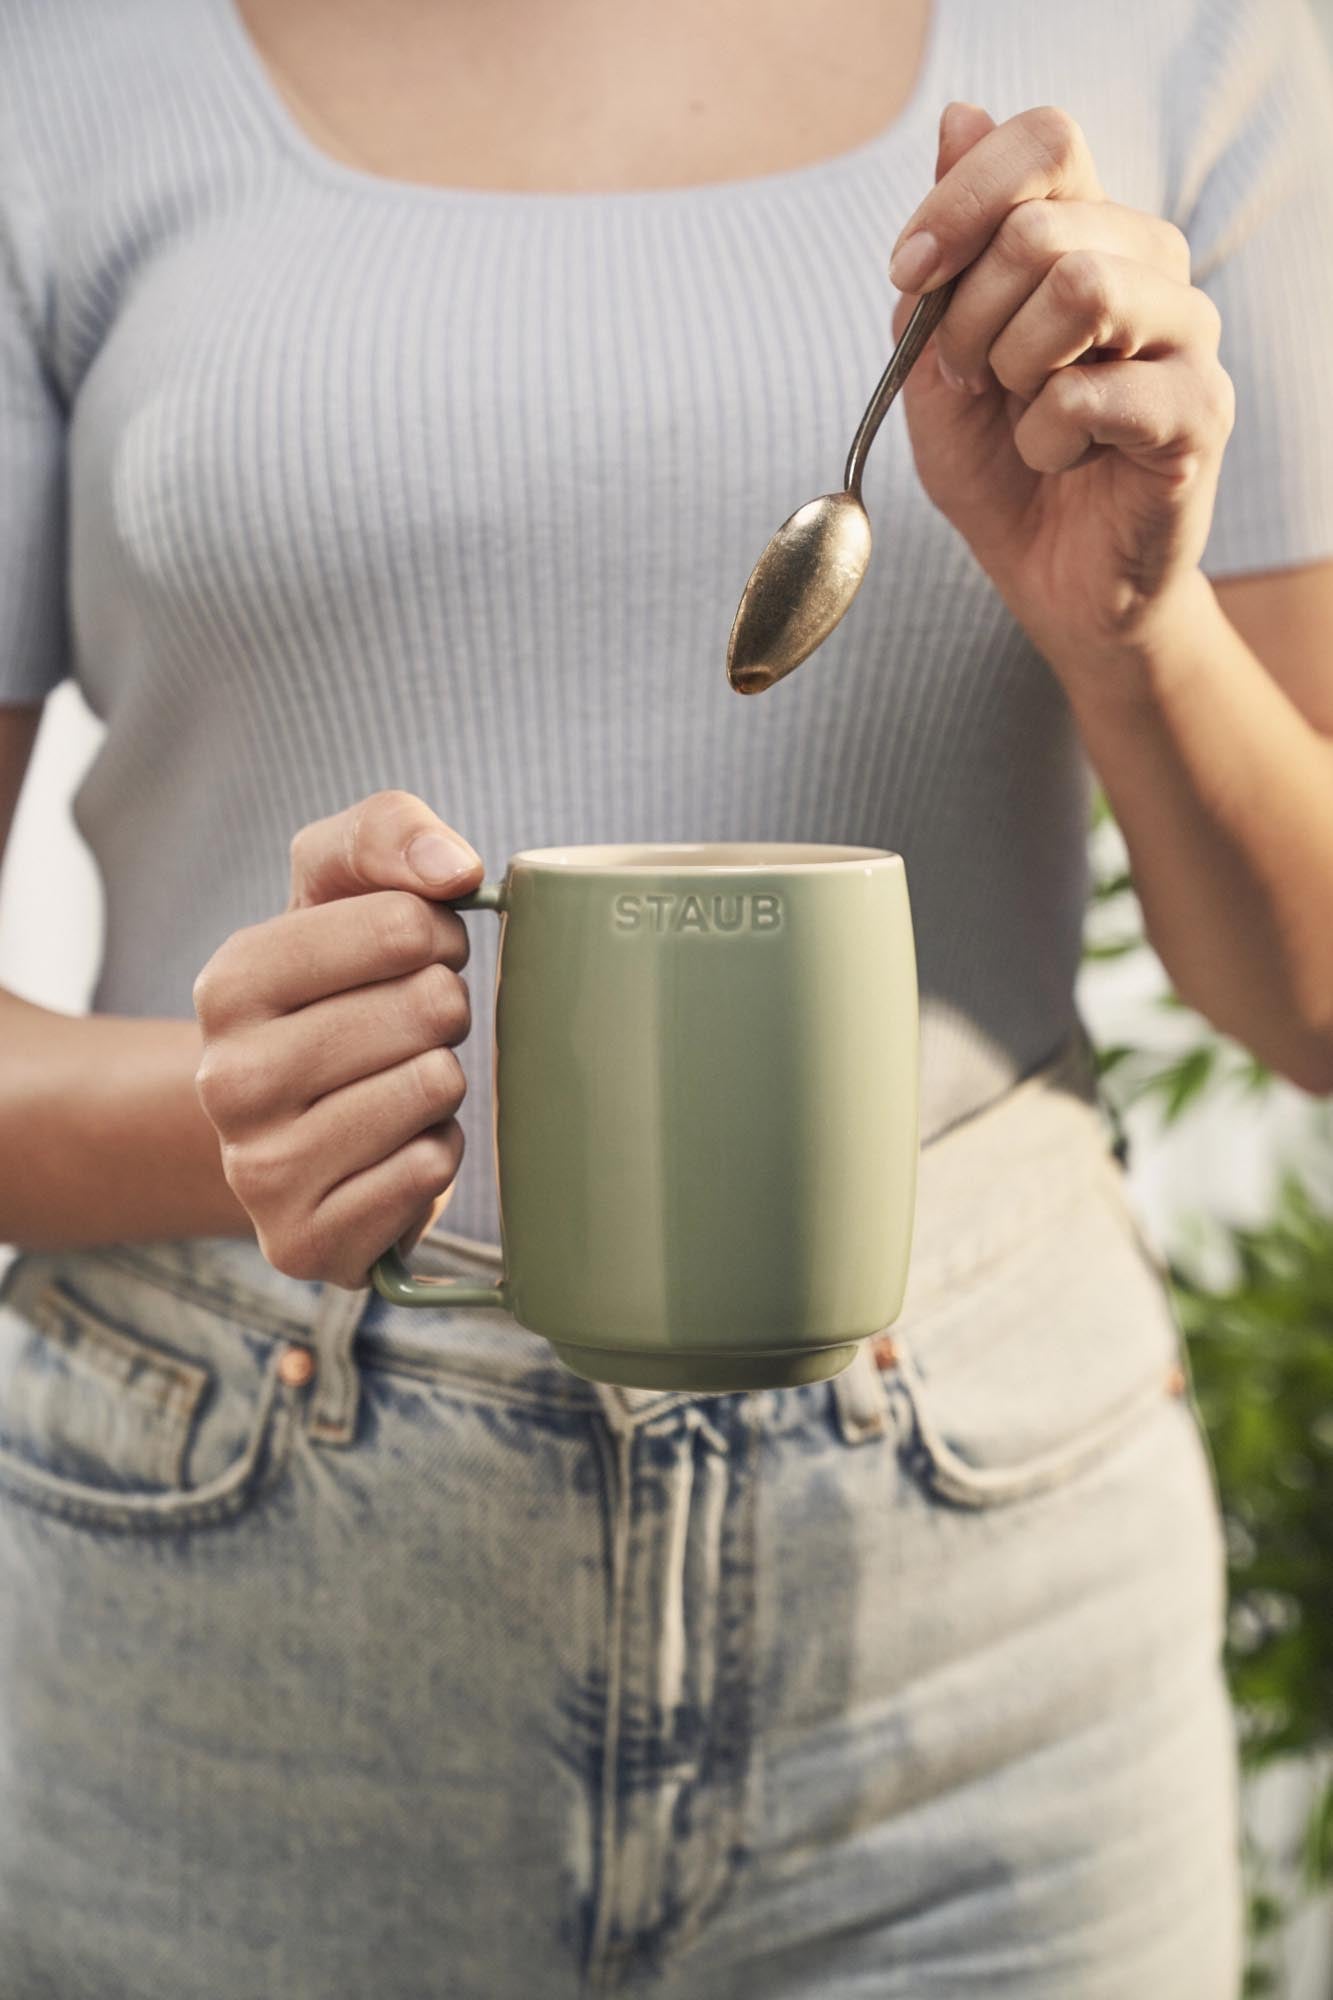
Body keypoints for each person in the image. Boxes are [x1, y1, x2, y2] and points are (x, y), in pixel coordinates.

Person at [2, 0, 1332, 1992]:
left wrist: (1131, 630)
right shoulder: (52, 69)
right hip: (218, 1612)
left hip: (986, 1646)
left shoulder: (1187, 35)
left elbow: (1308, 1000)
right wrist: (235, 1113)